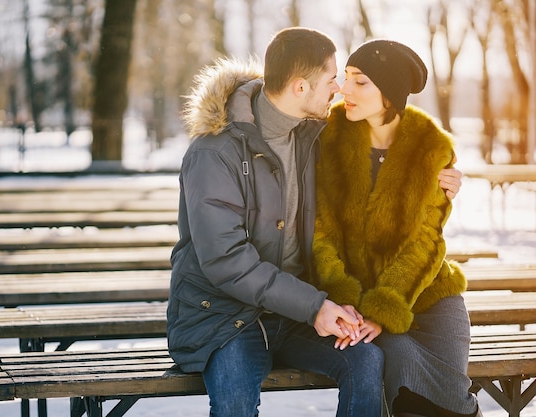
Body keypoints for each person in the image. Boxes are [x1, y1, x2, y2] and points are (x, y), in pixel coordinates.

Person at [167, 27, 463, 417]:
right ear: (300, 87)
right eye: (333, 78)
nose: (340, 88)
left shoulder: (314, 133)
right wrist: (316, 306)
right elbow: (225, 260)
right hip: (228, 316)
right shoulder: (215, 152)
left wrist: (441, 175)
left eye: (349, 79)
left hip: (297, 312)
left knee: (368, 362)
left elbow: (387, 145)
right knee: (235, 403)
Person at [311, 39, 481, 417]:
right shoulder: (326, 138)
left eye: (361, 82)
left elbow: (427, 241)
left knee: (451, 393)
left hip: (429, 291)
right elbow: (319, 233)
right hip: (357, 296)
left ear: (389, 94)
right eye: (346, 78)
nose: (345, 89)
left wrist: (385, 309)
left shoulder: (432, 147)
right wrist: (349, 301)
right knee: (400, 367)